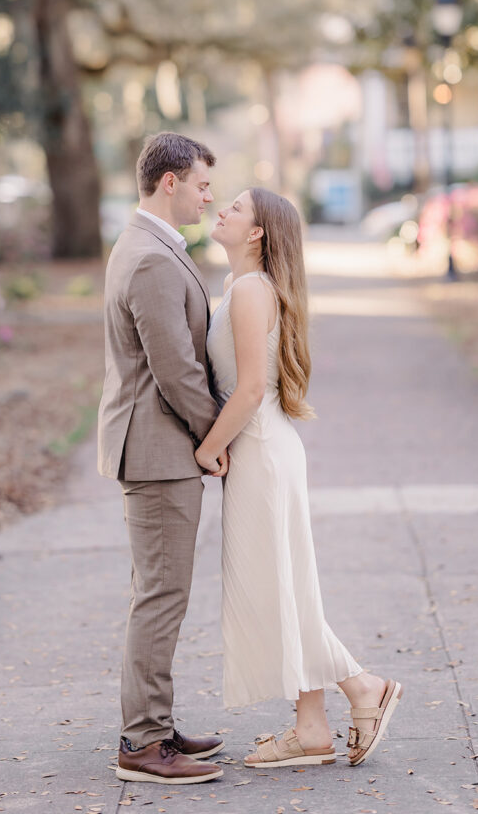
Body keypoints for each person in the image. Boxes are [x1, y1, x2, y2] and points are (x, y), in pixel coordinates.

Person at [195, 187, 403, 769]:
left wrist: (206, 450)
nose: (223, 211)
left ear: (258, 232)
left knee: (274, 590)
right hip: (263, 450)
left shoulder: (252, 291)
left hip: (260, 449)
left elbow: (252, 389)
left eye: (236, 208)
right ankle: (311, 725)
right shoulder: (242, 288)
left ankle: (363, 687)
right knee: (276, 589)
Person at [97, 132, 229, 785]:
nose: (211, 196)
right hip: (157, 451)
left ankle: (156, 722)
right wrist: (215, 438)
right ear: (169, 181)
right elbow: (175, 370)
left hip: (160, 449)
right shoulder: (149, 258)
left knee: (159, 592)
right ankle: (141, 743)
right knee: (159, 595)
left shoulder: (151, 247)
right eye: (203, 184)